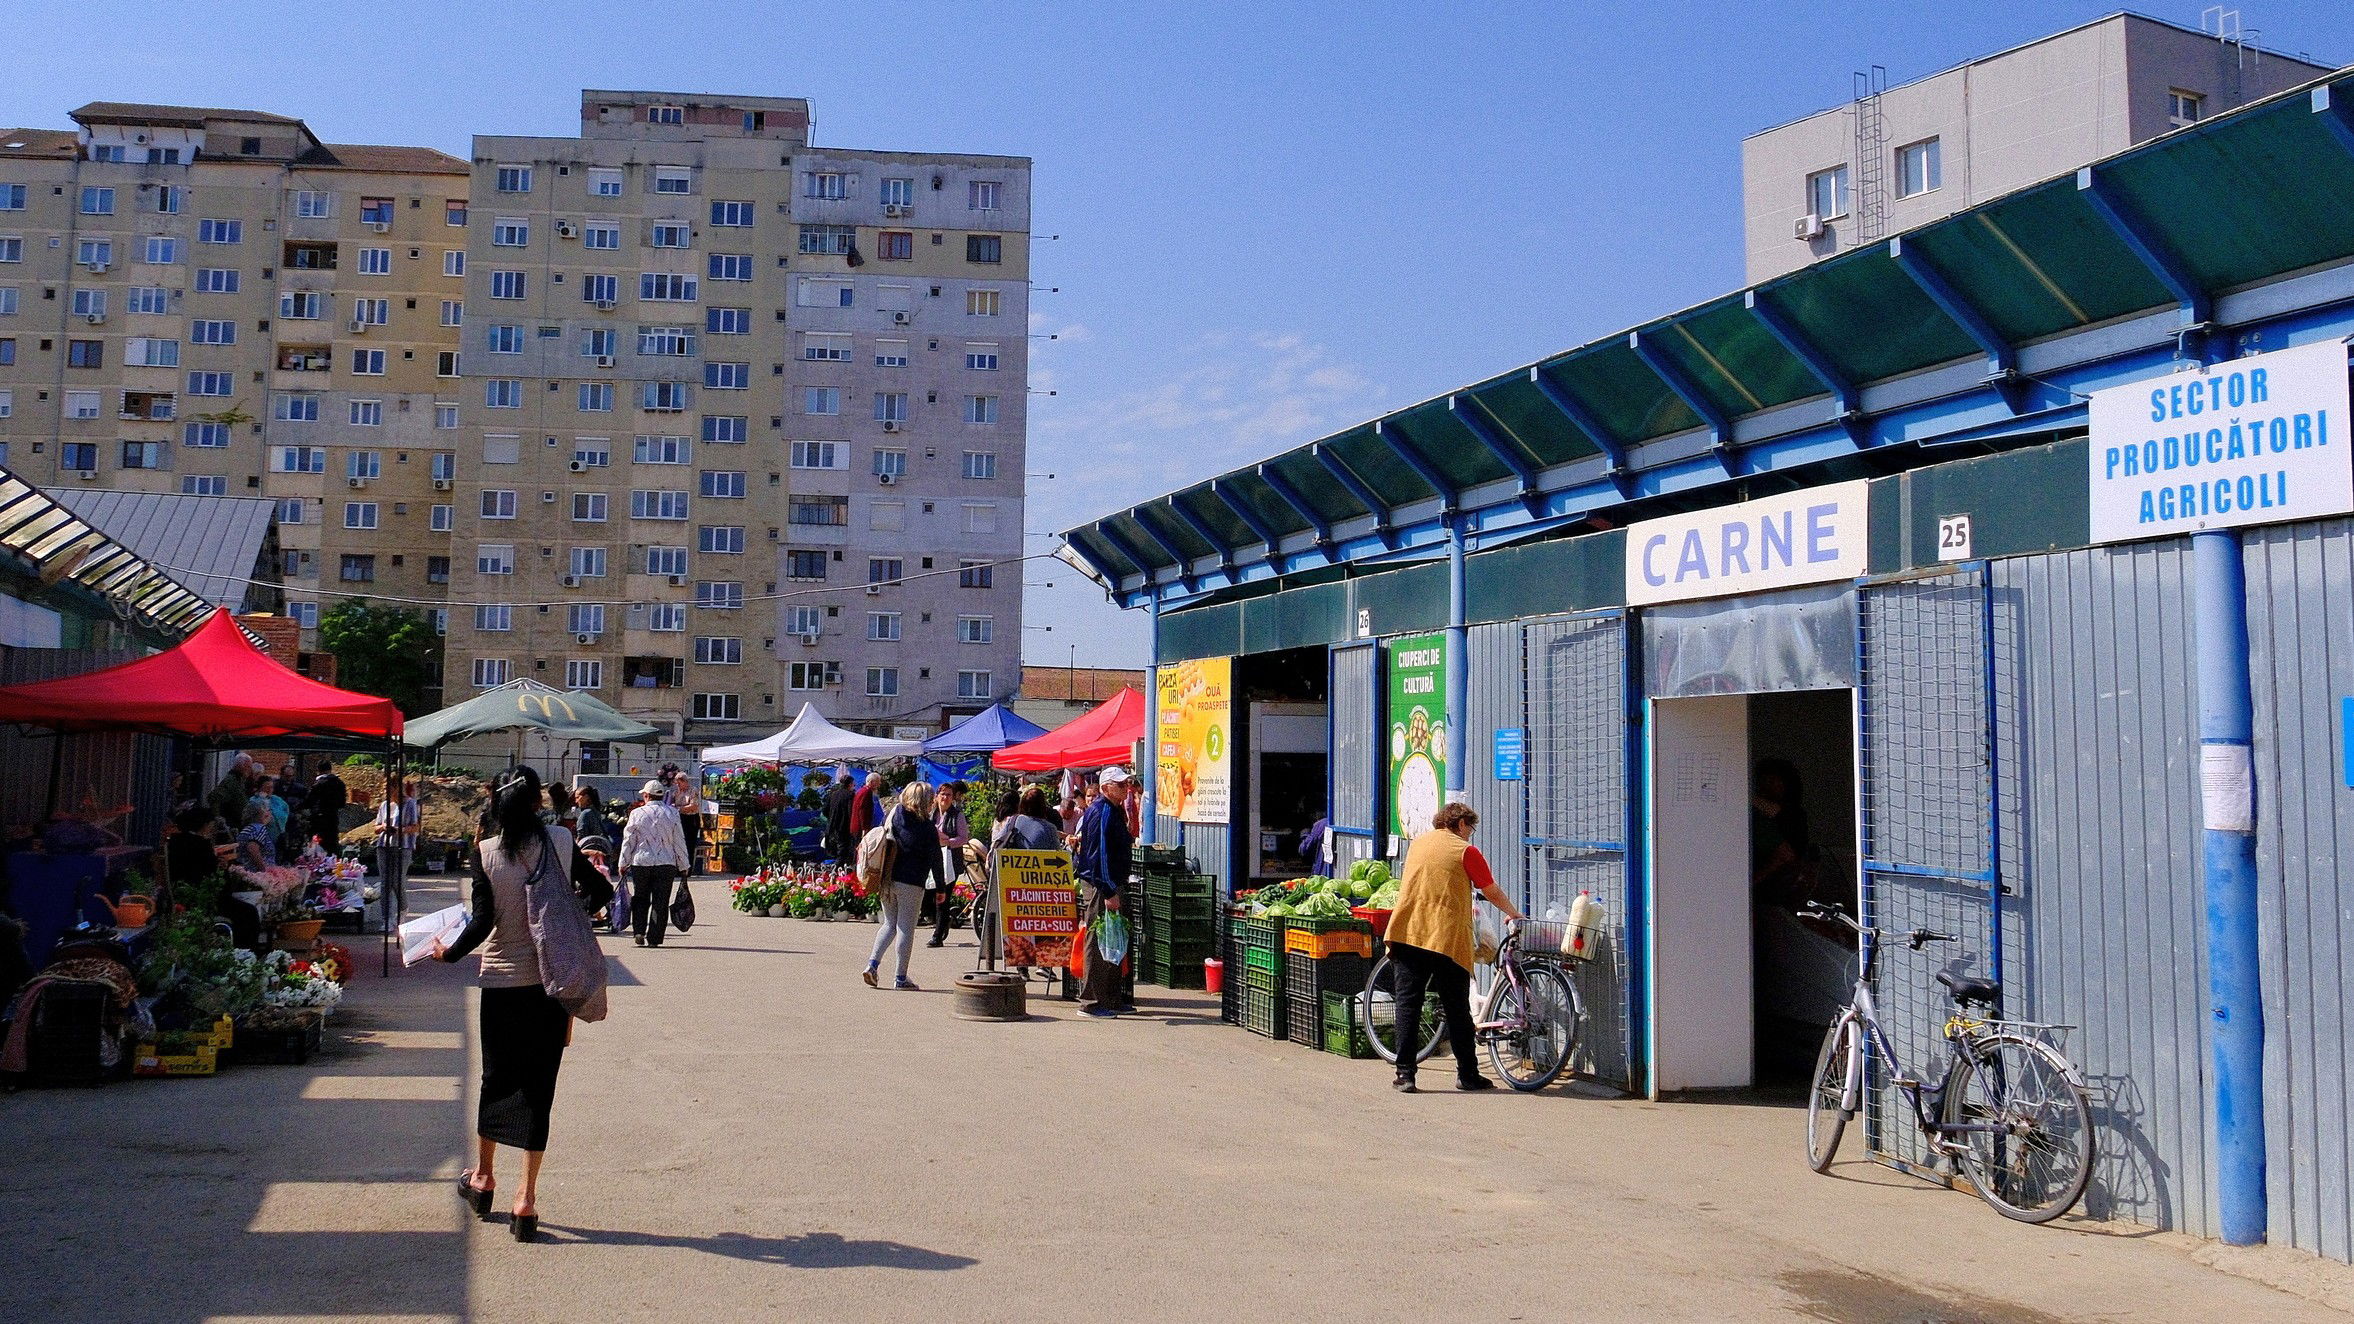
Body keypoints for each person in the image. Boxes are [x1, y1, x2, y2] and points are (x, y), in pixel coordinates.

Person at [435, 767, 578, 1243]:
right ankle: (526, 1200)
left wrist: (446, 951)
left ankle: (482, 1177)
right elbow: (597, 894)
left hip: (501, 984)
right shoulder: (561, 840)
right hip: (550, 987)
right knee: (540, 1087)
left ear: (496, 804)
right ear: (537, 801)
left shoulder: (486, 853)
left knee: (496, 1078)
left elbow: (479, 923)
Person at [1383, 801, 1525, 1093]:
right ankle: (1468, 1075)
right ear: (1460, 824)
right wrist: (1513, 912)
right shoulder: (1465, 851)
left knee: (1408, 1005)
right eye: (1470, 828)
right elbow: (1490, 890)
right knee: (1457, 1009)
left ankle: (1405, 1074)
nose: (1470, 834)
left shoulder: (1419, 844)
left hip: (1408, 931)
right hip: (1445, 938)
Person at [863, 782, 946, 990]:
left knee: (889, 924)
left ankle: (872, 964)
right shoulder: (927, 828)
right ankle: (900, 978)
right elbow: (936, 859)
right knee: (905, 928)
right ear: (927, 801)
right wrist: (941, 889)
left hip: (887, 876)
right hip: (912, 881)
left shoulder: (895, 814)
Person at [1072, 768, 1137, 1017]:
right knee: (1099, 940)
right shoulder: (1101, 811)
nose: (1125, 789)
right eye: (1120, 785)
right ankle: (1091, 1001)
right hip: (1101, 885)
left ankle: (1110, 997)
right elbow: (1097, 856)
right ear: (1107, 787)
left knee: (1113, 939)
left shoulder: (1112, 810)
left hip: (1110, 882)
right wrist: (1109, 890)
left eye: (1125, 784)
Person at [617, 779, 690, 948]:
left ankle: (639, 931)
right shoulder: (672, 813)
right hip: (666, 863)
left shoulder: (637, 813)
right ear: (662, 795)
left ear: (646, 796)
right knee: (661, 901)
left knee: (640, 897)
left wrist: (623, 862)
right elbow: (679, 841)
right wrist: (684, 865)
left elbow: (629, 840)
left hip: (641, 862)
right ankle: (655, 937)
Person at [926, 781, 971, 948]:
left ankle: (937, 936)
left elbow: (963, 838)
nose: (945, 798)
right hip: (932, 858)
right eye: (943, 794)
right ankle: (943, 923)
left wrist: (948, 842)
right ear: (937, 796)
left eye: (949, 795)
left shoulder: (957, 815)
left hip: (950, 860)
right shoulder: (931, 814)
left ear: (953, 798)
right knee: (931, 896)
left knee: (942, 897)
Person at [373, 776, 422, 930]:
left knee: (397, 880)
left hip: (403, 845)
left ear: (395, 788)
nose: (385, 791)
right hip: (384, 845)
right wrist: (383, 827)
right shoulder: (385, 805)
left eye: (388, 787)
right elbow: (376, 827)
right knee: (385, 882)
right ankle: (386, 919)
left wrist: (399, 830)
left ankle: (402, 909)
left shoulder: (410, 804)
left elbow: (415, 827)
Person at [666, 767, 704, 876]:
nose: (677, 786)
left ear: (685, 781)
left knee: (689, 844)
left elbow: (693, 805)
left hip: (691, 819)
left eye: (679, 783)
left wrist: (678, 808)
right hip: (679, 818)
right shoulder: (676, 792)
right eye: (676, 784)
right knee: (678, 843)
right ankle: (678, 868)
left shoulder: (693, 790)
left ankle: (688, 870)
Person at [209, 754, 256, 834]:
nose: (250, 770)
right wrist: (218, 819)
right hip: (232, 823)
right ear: (240, 766)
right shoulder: (231, 780)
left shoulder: (240, 781)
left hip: (238, 823)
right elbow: (214, 798)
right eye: (248, 766)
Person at [310, 764, 349, 853]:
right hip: (333, 816)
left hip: (319, 818)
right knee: (332, 841)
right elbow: (342, 802)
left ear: (319, 770)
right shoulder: (339, 783)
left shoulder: (318, 784)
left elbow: (310, 800)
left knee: (318, 842)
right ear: (330, 770)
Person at [822, 768, 858, 861]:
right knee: (843, 851)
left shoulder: (832, 794)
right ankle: (839, 870)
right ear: (850, 784)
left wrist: (831, 817)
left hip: (832, 826)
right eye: (853, 784)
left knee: (835, 849)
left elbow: (825, 810)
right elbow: (851, 812)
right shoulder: (850, 795)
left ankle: (837, 869)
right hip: (844, 826)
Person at [234, 802, 277, 869]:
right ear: (260, 814)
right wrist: (263, 870)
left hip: (245, 870)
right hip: (257, 874)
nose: (270, 814)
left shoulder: (246, 829)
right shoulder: (260, 828)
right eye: (267, 810)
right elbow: (252, 848)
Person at [848, 772, 883, 841]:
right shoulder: (867, 792)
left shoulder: (861, 791)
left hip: (858, 827)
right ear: (871, 782)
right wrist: (865, 828)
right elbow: (863, 810)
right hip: (861, 828)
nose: (880, 784)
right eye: (878, 782)